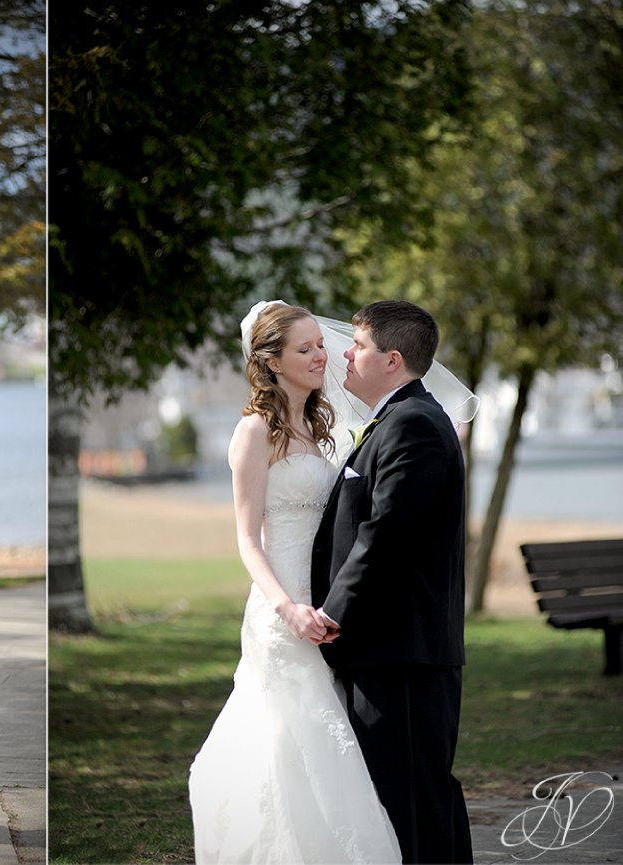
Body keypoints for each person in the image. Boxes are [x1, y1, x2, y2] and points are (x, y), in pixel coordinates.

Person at [189, 301, 403, 864]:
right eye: (304, 348)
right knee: (290, 733)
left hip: (328, 603)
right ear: (272, 362)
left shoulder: (318, 424)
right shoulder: (254, 432)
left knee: (325, 734)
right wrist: (286, 608)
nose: (320, 356)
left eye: (320, 345)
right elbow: (247, 540)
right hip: (281, 607)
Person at [310, 300, 474, 864]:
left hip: (401, 651)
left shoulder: (414, 426)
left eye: (357, 346)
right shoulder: (401, 418)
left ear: (393, 359)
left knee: (412, 798)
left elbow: (386, 535)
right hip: (391, 648)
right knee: (415, 794)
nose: (345, 355)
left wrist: (333, 611)